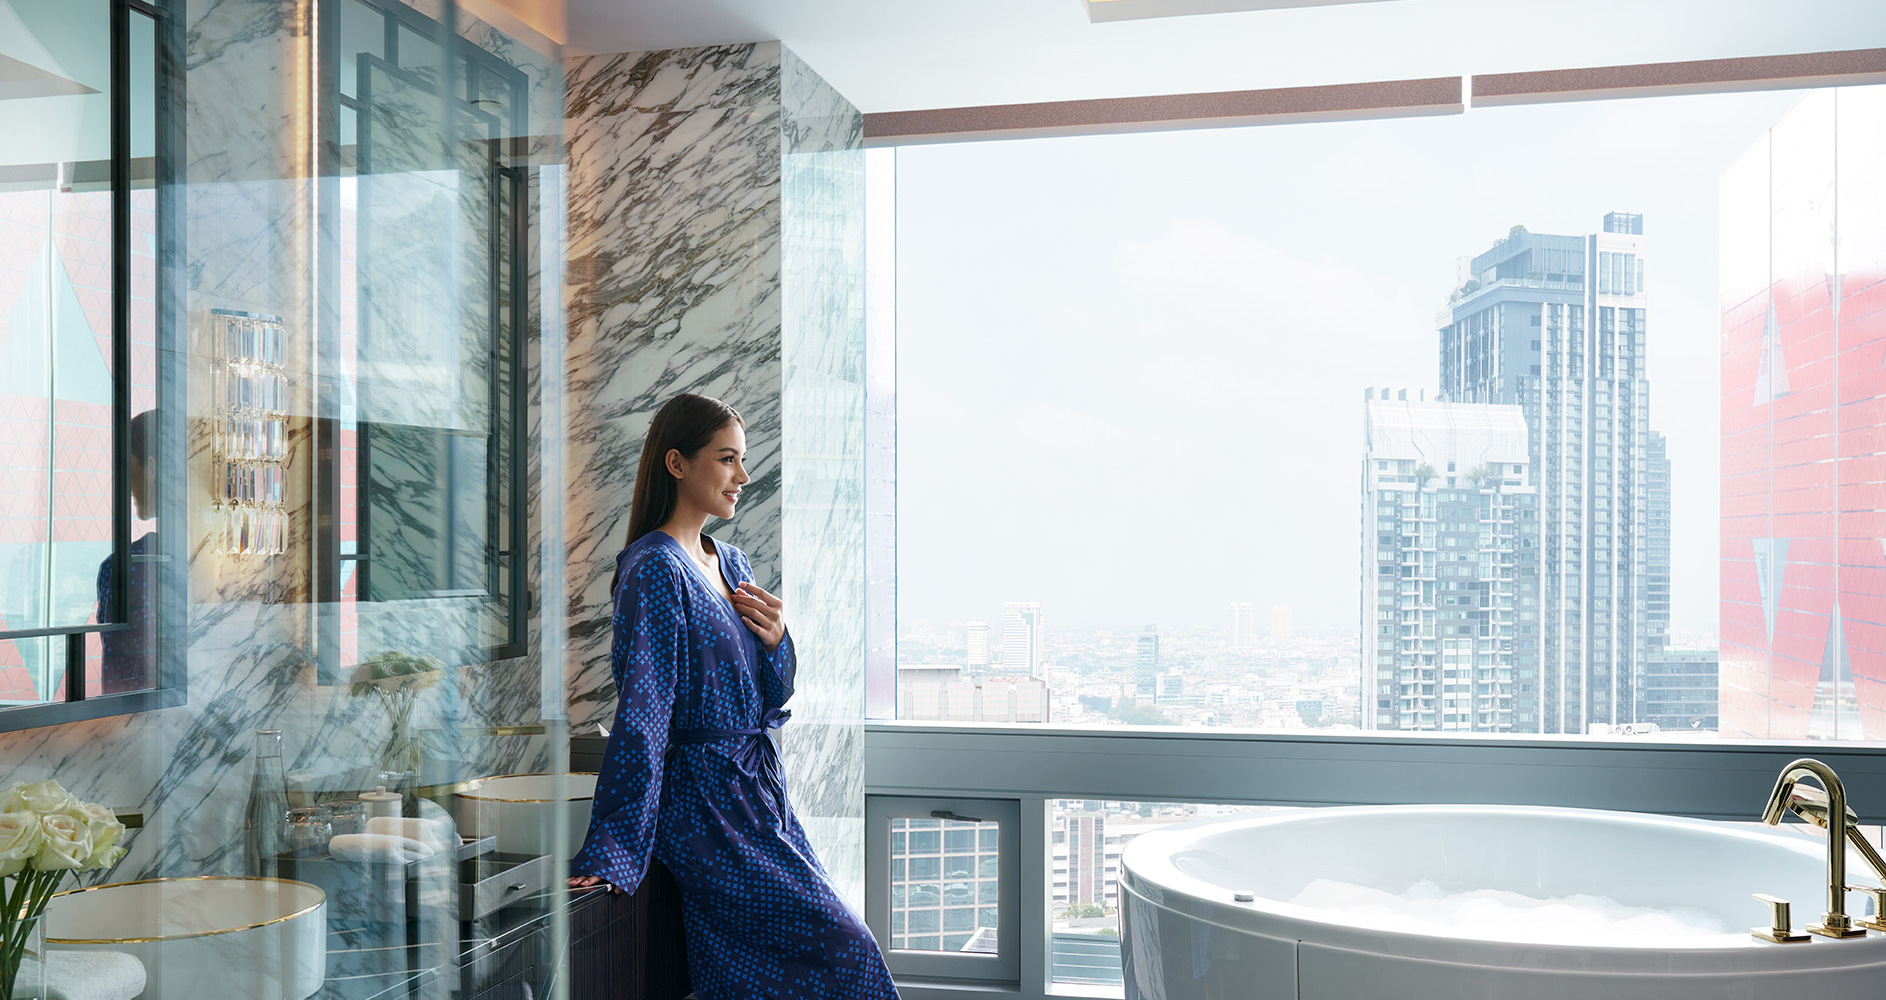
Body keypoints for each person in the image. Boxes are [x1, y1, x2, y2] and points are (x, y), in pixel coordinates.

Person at [569, 393, 898, 999]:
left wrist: (777, 640)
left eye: (742, 460)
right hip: (706, 807)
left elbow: (774, 694)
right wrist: (613, 849)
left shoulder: (733, 562)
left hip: (758, 796)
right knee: (849, 950)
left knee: (748, 973)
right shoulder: (654, 569)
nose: (743, 477)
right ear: (677, 463)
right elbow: (645, 714)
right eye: (727, 459)